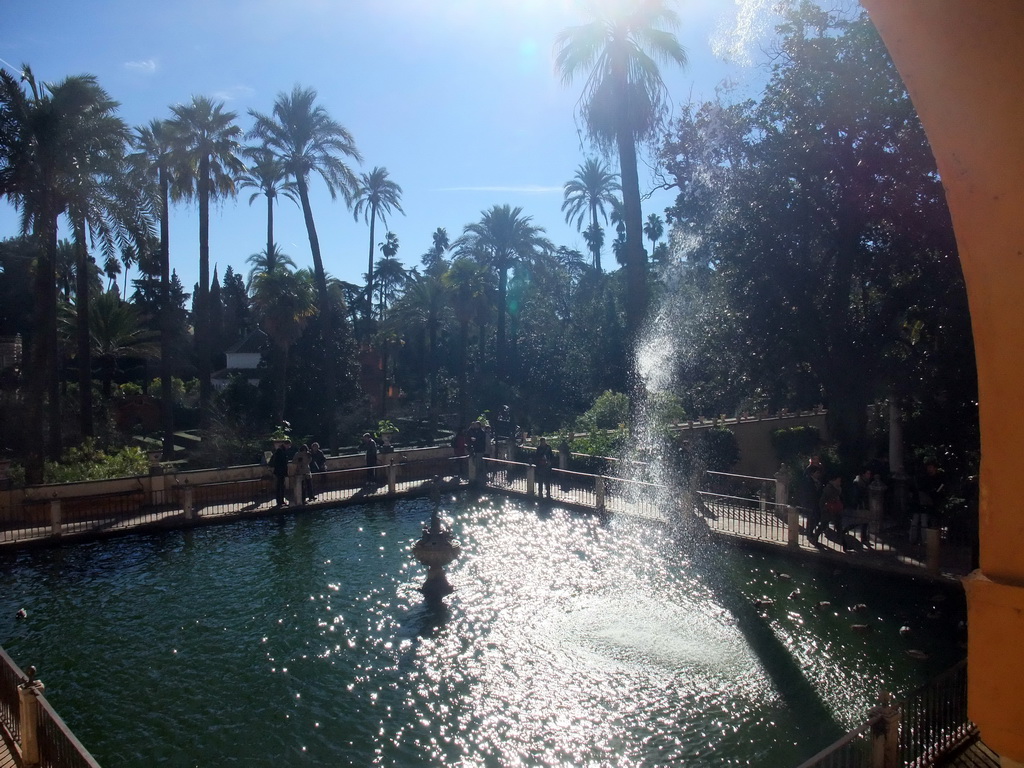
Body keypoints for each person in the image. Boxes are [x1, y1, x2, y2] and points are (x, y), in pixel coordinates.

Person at [910, 458, 946, 545]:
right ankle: (915, 539)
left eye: (931, 467)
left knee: (925, 522)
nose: (929, 469)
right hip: (921, 502)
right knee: (917, 522)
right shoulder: (924, 478)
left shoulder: (938, 478)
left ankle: (925, 540)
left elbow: (938, 491)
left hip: (930, 503)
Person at [796, 464, 824, 543]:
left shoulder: (818, 482)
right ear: (812, 473)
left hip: (816, 503)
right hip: (810, 503)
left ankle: (810, 532)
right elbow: (805, 493)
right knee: (811, 518)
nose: (818, 474)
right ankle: (810, 533)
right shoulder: (808, 481)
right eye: (817, 473)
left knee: (816, 518)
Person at [819, 471, 844, 539]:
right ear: (833, 481)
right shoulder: (828, 489)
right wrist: (823, 508)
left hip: (836, 509)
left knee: (839, 524)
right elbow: (823, 500)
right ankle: (816, 537)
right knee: (823, 525)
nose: (839, 482)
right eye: (838, 481)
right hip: (828, 509)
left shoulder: (838, 489)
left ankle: (841, 539)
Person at [271, 439, 291, 507]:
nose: (289, 447)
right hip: (280, 471)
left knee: (281, 486)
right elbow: (279, 462)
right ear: (286, 444)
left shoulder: (281, 450)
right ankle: (279, 501)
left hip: (280, 471)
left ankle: (281, 501)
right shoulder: (280, 451)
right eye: (288, 445)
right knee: (279, 486)